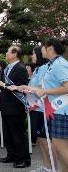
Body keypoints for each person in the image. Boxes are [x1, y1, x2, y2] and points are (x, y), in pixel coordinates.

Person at [23, 38, 68, 172]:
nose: (40, 50)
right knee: (60, 150)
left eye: (43, 47)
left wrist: (44, 91)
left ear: (50, 48)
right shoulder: (52, 65)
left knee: (61, 148)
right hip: (55, 111)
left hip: (61, 110)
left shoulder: (59, 64)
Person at [0, 46, 31, 168]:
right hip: (5, 105)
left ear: (15, 54)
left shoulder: (20, 68)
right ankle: (12, 155)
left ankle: (24, 159)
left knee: (18, 133)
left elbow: (23, 86)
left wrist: (4, 85)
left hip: (15, 106)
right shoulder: (7, 69)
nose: (6, 53)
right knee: (8, 133)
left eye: (8, 51)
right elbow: (3, 86)